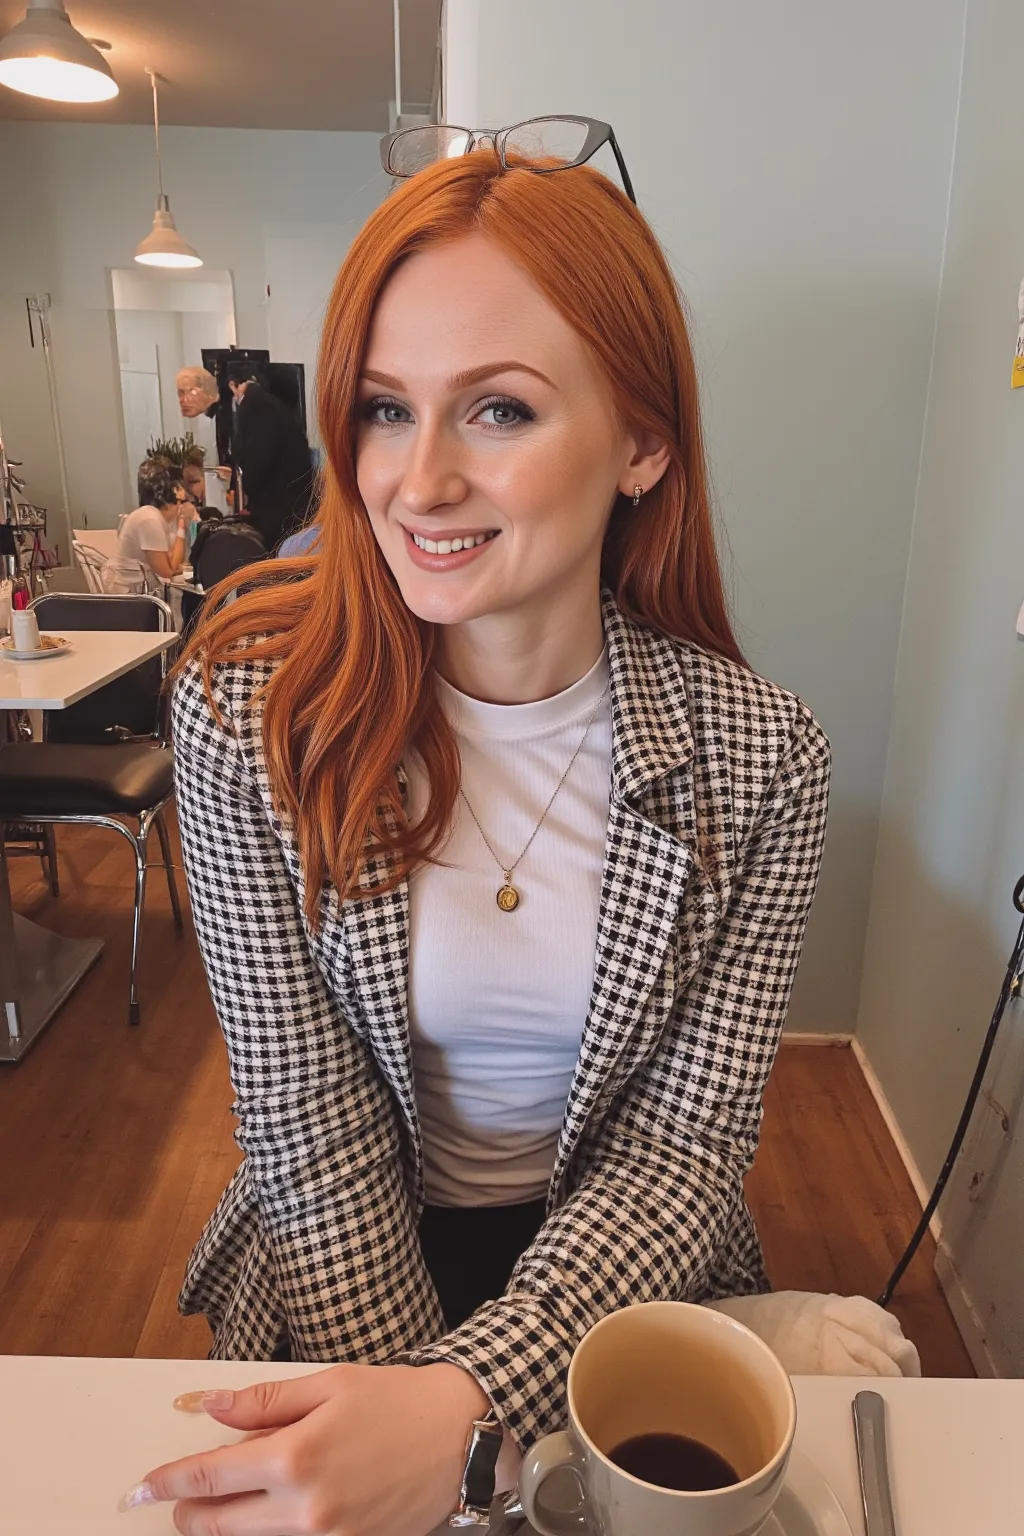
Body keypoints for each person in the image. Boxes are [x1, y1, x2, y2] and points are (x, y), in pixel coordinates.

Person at [152, 147, 831, 1534]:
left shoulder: (765, 761)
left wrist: (467, 1410)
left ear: (644, 443)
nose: (418, 480)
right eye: (387, 410)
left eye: (502, 410)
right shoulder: (246, 719)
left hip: (631, 1277)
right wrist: (426, 1436)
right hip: (342, 1260)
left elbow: (685, 1150)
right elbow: (302, 1118)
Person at [226, 363, 314, 550]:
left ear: (235, 386)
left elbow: (258, 456)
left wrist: (248, 486)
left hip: (278, 505)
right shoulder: (272, 404)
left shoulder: (254, 406)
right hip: (295, 498)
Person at [100, 459, 191, 594]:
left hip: (140, 588)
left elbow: (174, 562)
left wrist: (181, 526)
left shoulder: (157, 517)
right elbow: (167, 571)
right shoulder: (149, 519)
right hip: (127, 593)